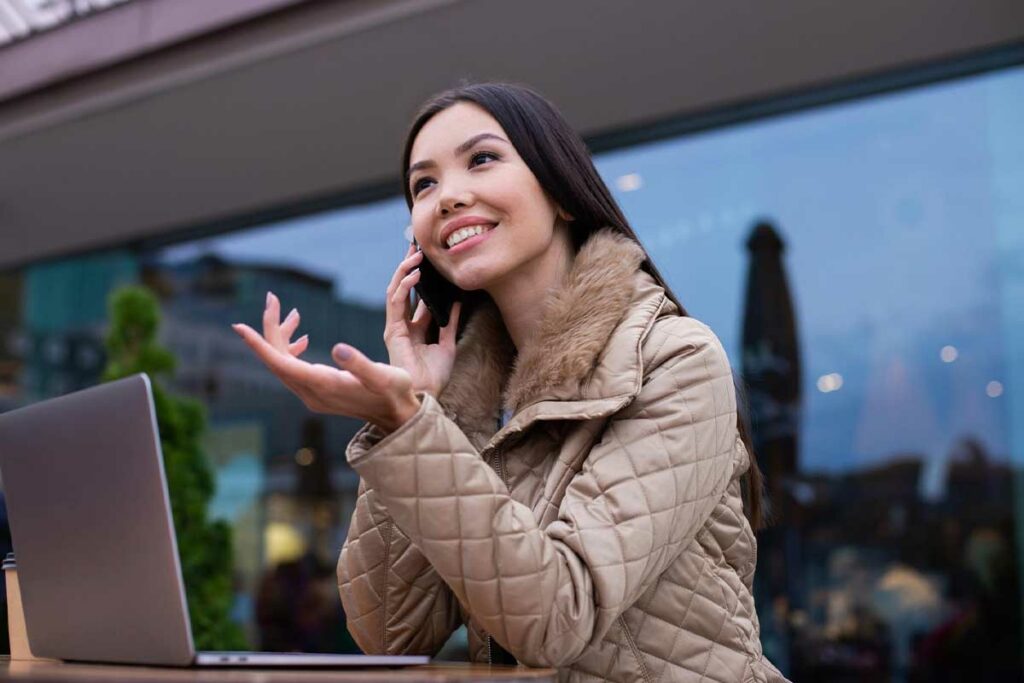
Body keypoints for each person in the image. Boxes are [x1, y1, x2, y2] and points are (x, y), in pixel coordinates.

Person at [233, 81, 789, 682]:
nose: (448, 196)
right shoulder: (467, 400)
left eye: (482, 159)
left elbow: (555, 618)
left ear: (562, 194)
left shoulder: (676, 360)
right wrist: (422, 407)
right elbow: (391, 631)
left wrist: (409, 425)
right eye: (424, 184)